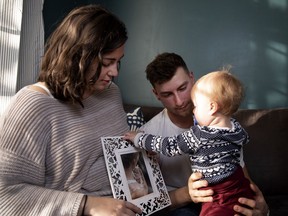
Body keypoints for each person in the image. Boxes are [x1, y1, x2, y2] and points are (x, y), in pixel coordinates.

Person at [0, 4, 142, 216]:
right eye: (107, 62)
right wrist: (87, 204)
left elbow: (117, 158)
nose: (114, 72)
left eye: (118, 62)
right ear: (78, 56)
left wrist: (141, 150)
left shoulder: (111, 93)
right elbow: (5, 195)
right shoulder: (32, 106)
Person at [137, 53, 269, 216]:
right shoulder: (148, 135)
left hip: (224, 202)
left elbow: (241, 176)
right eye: (167, 94)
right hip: (181, 208)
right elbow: (143, 203)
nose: (179, 101)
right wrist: (185, 194)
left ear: (192, 78)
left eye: (182, 88)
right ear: (156, 94)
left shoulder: (222, 124)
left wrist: (262, 210)